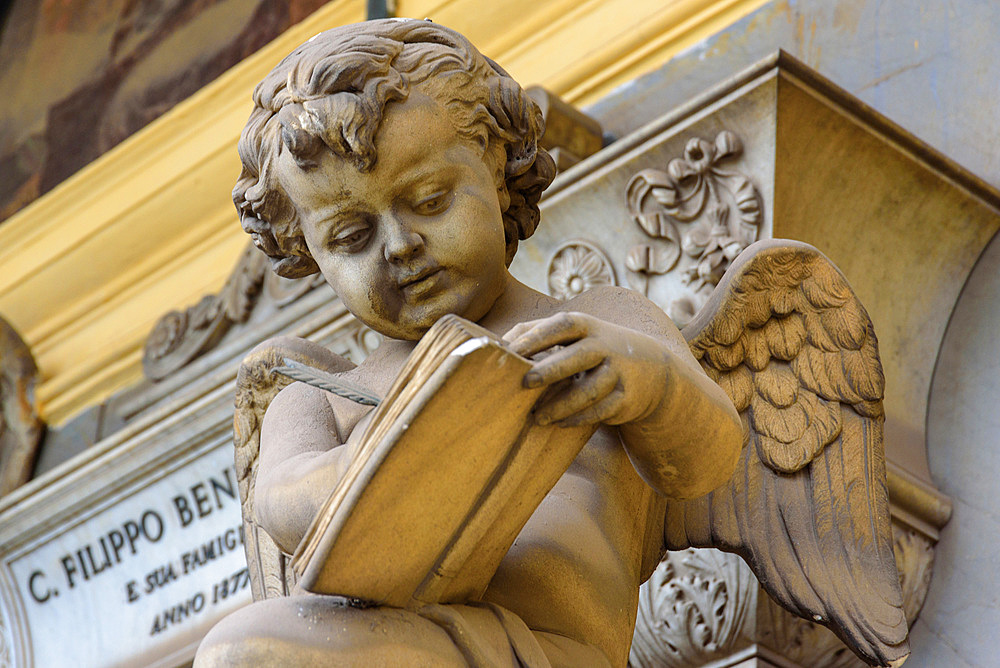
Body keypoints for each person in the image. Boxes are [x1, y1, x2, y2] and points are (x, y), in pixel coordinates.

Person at [196, 18, 742, 667]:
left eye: (429, 199)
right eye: (349, 237)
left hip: (555, 652)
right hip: (396, 641)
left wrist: (646, 382)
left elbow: (710, 460)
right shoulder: (316, 397)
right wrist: (377, 460)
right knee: (245, 650)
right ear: (305, 256)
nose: (399, 245)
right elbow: (282, 501)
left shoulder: (600, 321)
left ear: (499, 171)